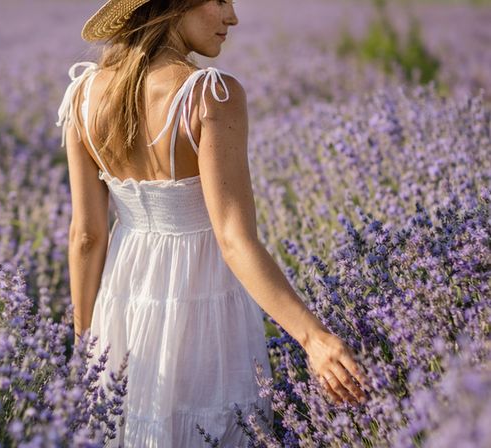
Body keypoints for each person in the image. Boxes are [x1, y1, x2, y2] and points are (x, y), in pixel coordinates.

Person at [56, 0, 370, 446]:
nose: (233, 17)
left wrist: (84, 346)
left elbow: (86, 236)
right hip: (201, 298)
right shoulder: (210, 94)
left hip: (122, 299)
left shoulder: (83, 95)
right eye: (220, 0)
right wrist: (313, 338)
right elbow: (234, 239)